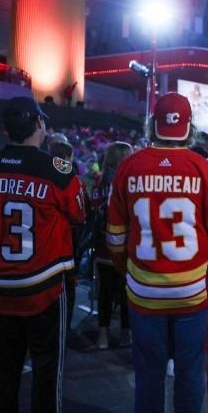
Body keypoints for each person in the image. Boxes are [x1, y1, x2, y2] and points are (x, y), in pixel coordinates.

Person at [106, 93, 208, 413]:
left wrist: (130, 273)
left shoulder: (128, 168)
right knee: (191, 374)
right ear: (188, 126)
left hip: (144, 291)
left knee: (149, 374)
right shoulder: (205, 170)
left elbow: (114, 237)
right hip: (192, 291)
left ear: (153, 123)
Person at [0, 97, 85, 413]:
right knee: (46, 371)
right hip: (43, 286)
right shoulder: (57, 168)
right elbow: (78, 212)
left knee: (3, 371)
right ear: (39, 125)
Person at [89, 141, 133, 349]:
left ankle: (103, 336)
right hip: (124, 243)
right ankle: (126, 333)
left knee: (105, 292)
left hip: (102, 243)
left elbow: (94, 207)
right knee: (126, 292)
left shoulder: (98, 181)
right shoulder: (129, 181)